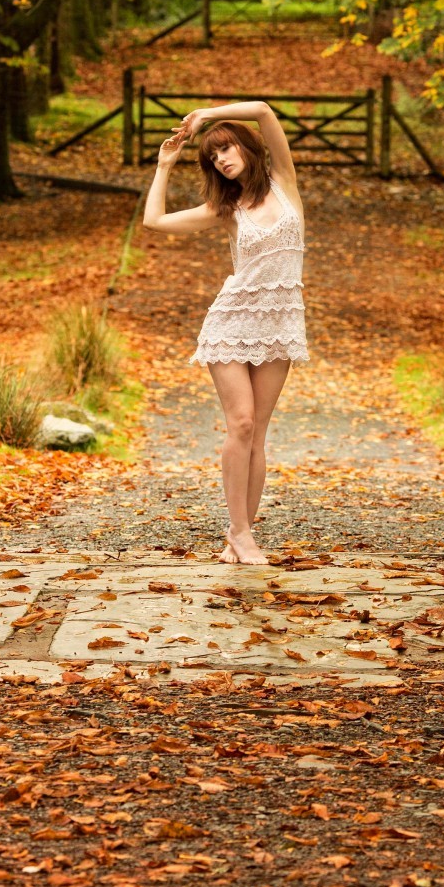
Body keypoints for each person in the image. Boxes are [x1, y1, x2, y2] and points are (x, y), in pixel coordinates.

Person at [143, 102, 308, 566]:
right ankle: (240, 533)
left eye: (227, 147)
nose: (221, 159)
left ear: (247, 147)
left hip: (279, 323)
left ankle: (240, 536)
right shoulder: (227, 208)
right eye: (213, 156)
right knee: (241, 422)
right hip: (232, 324)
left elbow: (263, 110)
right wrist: (164, 165)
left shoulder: (285, 183)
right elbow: (154, 222)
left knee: (257, 433)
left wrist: (203, 116)